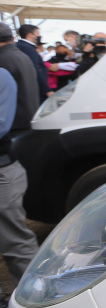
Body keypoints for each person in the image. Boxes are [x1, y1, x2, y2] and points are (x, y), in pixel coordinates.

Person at [0, 25, 41, 307]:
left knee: (14, 240)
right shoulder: (21, 55)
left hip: (5, 161)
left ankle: (35, 299)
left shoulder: (4, 66)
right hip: (16, 141)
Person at [15, 25, 52, 101]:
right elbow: (35, 69)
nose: (39, 36)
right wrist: (47, 90)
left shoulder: (22, 46)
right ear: (30, 35)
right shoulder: (27, 48)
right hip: (35, 90)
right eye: (37, 33)